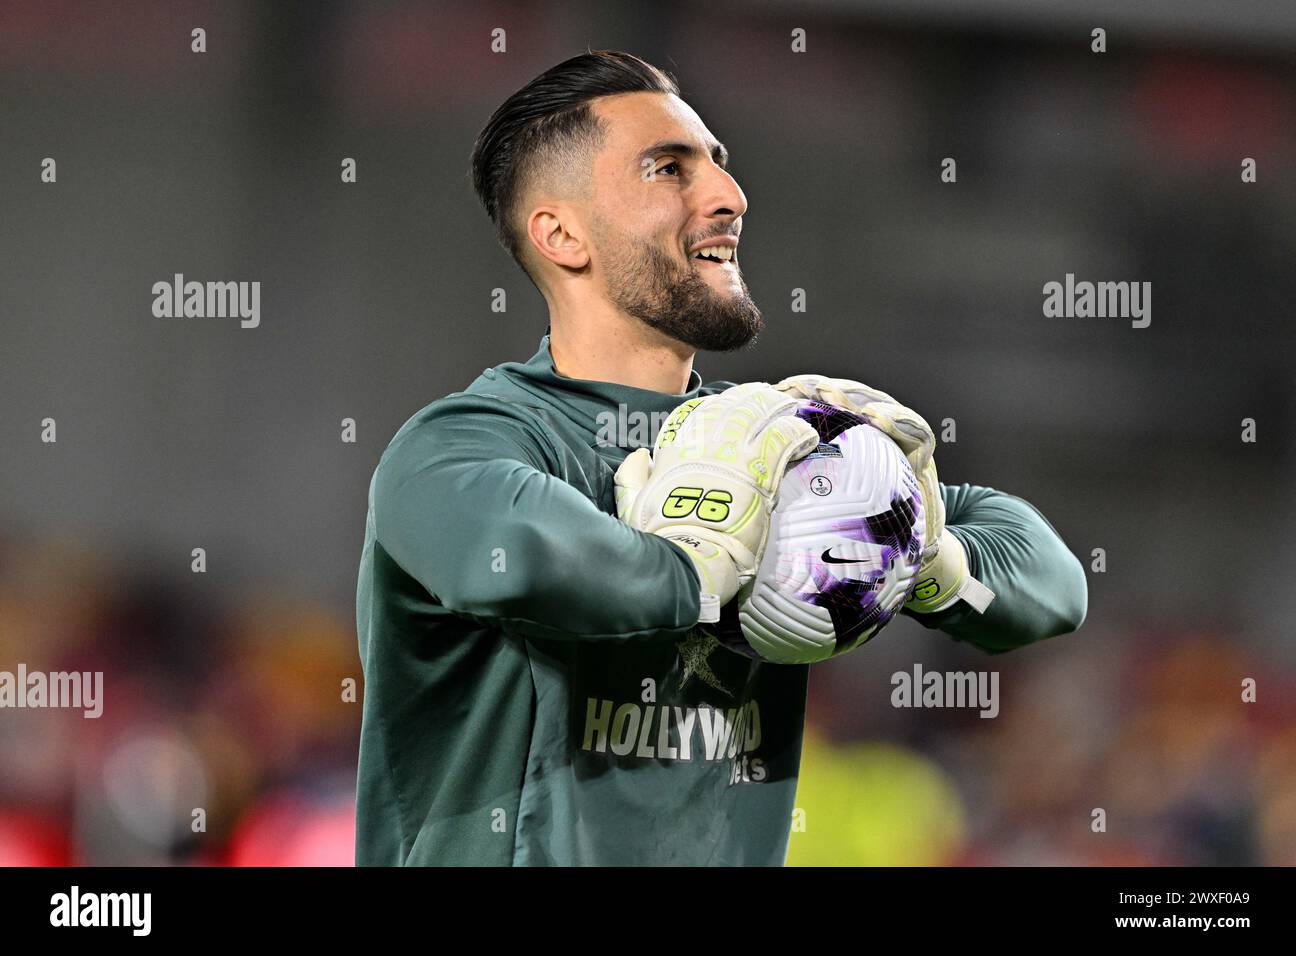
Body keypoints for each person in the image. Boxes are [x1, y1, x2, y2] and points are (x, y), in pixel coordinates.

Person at [354, 50, 1087, 866]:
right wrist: (705, 565)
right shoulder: (460, 444)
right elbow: (516, 562)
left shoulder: (772, 441)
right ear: (562, 234)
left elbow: (1050, 583)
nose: (728, 197)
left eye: (720, 166)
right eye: (669, 168)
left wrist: (929, 555)